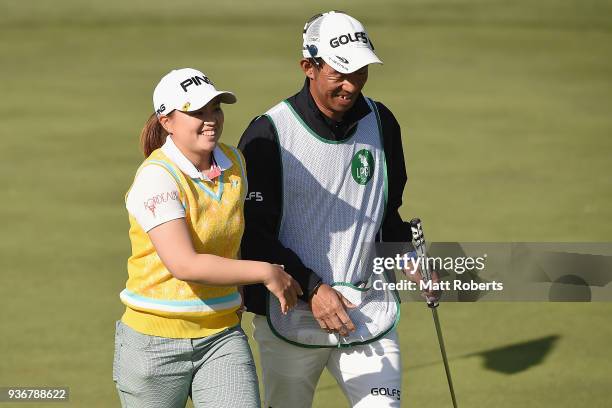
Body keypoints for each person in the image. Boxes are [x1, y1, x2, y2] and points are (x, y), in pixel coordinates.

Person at [238, 11, 438, 408]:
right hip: (290, 315)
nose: (352, 85)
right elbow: (253, 234)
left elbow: (386, 213)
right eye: (340, 74)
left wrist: (410, 259)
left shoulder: (383, 123)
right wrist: (313, 287)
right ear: (308, 67)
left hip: (368, 310)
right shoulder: (269, 133)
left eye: (360, 72)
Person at [113, 68, 302, 408]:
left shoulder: (235, 163)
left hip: (221, 336)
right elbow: (184, 264)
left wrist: (239, 289)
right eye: (196, 112)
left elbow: (232, 236)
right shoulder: (156, 177)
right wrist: (265, 272)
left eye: (215, 109)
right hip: (153, 344)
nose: (211, 119)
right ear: (167, 120)